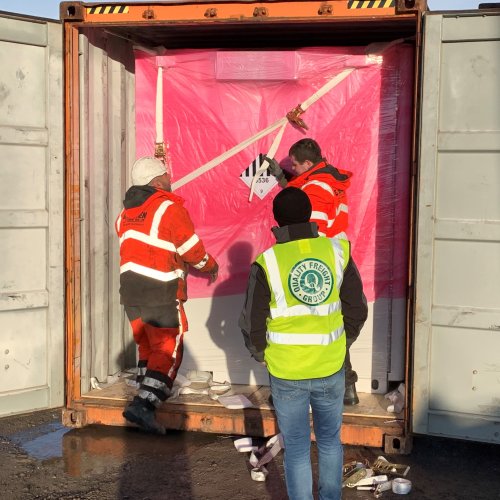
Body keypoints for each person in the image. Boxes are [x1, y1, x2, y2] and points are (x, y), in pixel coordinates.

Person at [239, 187, 367, 500]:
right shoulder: (336, 252)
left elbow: (251, 321)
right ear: (310, 215)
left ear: (277, 221)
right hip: (329, 365)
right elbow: (357, 310)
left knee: (296, 449)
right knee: (329, 443)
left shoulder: (267, 262)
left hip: (286, 370)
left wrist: (261, 354)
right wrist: (340, 343)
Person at [115, 156, 219, 434]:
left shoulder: (125, 214)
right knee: (169, 349)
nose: (171, 181)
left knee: (147, 346)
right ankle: (145, 407)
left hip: (131, 291)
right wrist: (210, 266)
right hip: (160, 288)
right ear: (158, 181)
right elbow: (191, 249)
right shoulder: (168, 207)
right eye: (167, 176)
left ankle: (141, 394)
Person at [266, 138, 361, 405]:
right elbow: (304, 194)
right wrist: (283, 180)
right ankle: (347, 387)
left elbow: (312, 227)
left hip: (323, 257)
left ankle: (333, 383)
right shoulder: (324, 179)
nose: (292, 168)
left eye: (294, 165)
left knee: (315, 322)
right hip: (336, 255)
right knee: (333, 321)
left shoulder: (317, 186)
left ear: (308, 163)